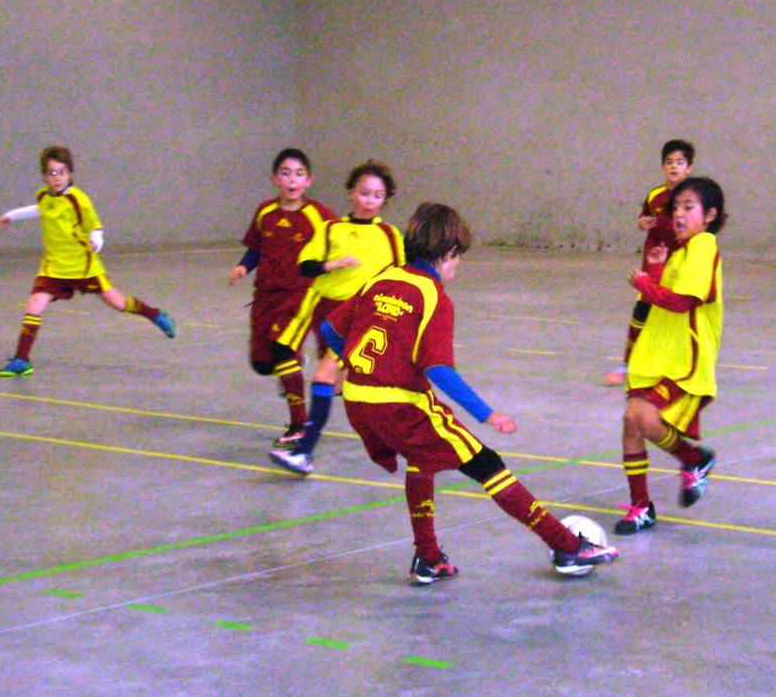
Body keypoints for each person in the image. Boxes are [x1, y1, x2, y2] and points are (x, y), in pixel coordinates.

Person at [271, 203, 619, 583]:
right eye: (458, 259)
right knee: (486, 464)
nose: (457, 267)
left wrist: (355, 365)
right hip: (399, 404)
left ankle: (428, 558)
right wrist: (488, 414)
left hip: (358, 400)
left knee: (422, 460)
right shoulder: (433, 296)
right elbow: (438, 370)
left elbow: (332, 332)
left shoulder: (381, 280)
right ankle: (567, 545)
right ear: (448, 254)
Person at [0, 145, 175, 377]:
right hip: (53, 268)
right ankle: (21, 360)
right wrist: (10, 216)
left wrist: (96, 242)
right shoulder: (43, 196)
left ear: (70, 173)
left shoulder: (78, 200)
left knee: (118, 303)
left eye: (61, 172)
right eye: (51, 173)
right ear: (44, 175)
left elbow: (95, 227)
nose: (57, 177)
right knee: (34, 307)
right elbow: (38, 209)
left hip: (83, 267)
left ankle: (155, 314)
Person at [268, 160, 405, 459]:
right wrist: (333, 264)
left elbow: (403, 278)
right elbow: (306, 266)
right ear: (351, 193)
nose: (370, 201)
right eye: (364, 193)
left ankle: (303, 450)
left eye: (377, 196)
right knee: (341, 380)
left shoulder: (391, 236)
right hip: (325, 311)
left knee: (324, 376)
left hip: (362, 315)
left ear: (385, 200)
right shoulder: (330, 229)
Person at [614, 176, 725, 536]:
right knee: (631, 424)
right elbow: (664, 296)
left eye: (688, 207)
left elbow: (682, 302)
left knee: (642, 417)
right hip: (653, 355)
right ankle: (641, 507)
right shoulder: (680, 251)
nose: (678, 214)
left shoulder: (705, 245)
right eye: (676, 207)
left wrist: (646, 283)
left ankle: (694, 458)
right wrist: (659, 270)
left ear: (709, 215)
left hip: (682, 360)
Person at [229, 148, 337, 447]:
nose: (292, 179)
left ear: (309, 181)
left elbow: (339, 241)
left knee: (281, 351)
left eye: (299, 174)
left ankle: (299, 424)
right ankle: (293, 361)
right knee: (262, 363)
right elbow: (256, 249)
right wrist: (242, 267)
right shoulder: (265, 212)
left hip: (301, 295)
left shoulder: (318, 215)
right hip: (266, 296)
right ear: (275, 179)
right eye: (286, 173)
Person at [604, 139, 695, 386]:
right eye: (669, 162)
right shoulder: (655, 195)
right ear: (662, 167)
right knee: (642, 312)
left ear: (689, 168)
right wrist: (642, 223)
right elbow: (645, 218)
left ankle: (679, 366)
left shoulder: (693, 198)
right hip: (654, 264)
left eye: (679, 162)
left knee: (679, 314)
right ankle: (627, 364)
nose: (674, 167)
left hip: (680, 265)